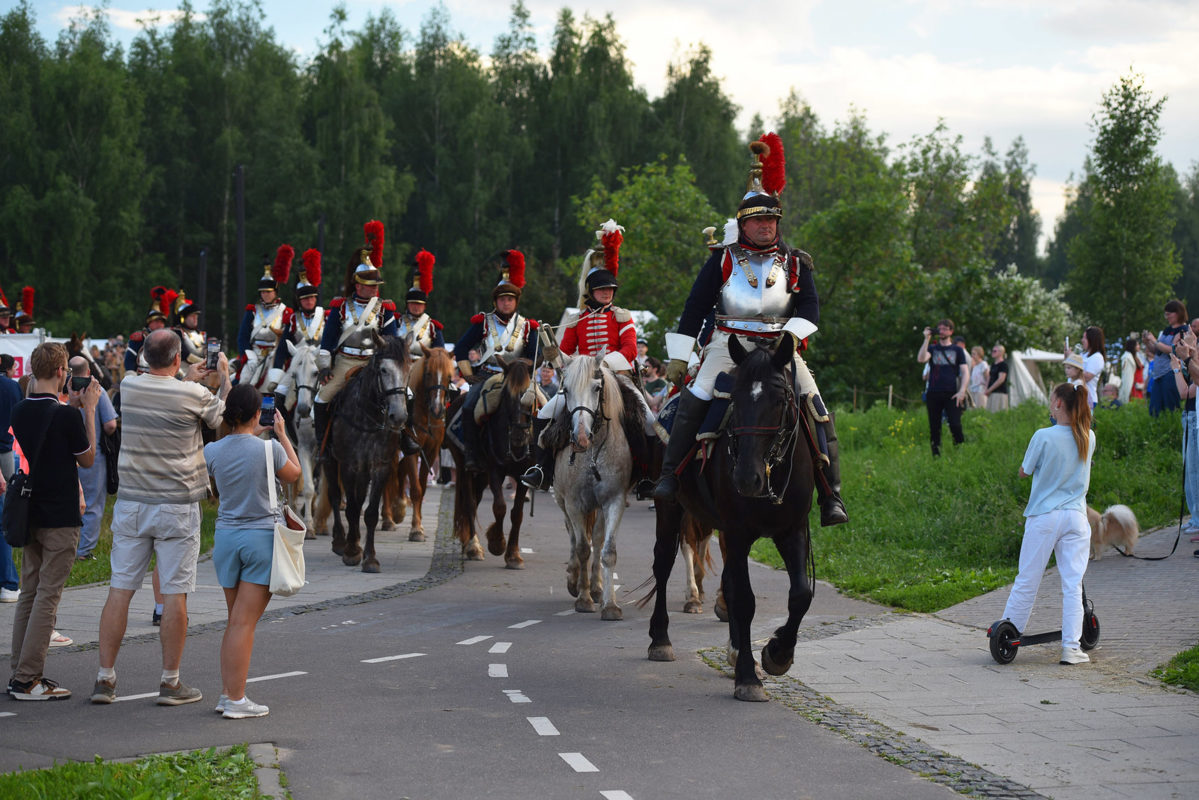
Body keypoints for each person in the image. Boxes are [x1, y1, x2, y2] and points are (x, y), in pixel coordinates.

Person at [652, 134, 847, 526]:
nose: (766, 227)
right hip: (729, 342)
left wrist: (791, 337)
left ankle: (831, 494)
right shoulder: (722, 261)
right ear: (743, 223)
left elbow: (810, 307)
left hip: (780, 346)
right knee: (697, 396)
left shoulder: (796, 262)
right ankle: (670, 477)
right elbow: (694, 308)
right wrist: (679, 356)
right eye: (758, 220)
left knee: (816, 405)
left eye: (771, 220)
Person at [91, 329, 230, 706]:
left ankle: (105, 678)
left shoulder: (131, 387)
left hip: (133, 502)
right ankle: (170, 682)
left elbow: (163, 386)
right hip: (177, 505)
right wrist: (225, 378)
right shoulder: (193, 394)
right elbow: (221, 415)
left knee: (120, 589)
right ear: (176, 360)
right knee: (174, 595)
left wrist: (184, 377)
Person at [7, 343, 99, 700]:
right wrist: (87, 410)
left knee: (29, 593)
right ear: (62, 372)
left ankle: (19, 671)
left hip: (31, 511)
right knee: (48, 596)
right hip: (60, 513)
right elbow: (87, 459)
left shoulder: (20, 409)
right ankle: (28, 678)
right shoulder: (65, 415)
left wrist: (71, 408)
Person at [204, 384, 301, 719]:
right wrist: (282, 434)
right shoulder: (269, 448)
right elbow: (294, 473)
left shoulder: (212, 450)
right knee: (243, 624)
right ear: (259, 413)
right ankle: (236, 699)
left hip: (226, 538)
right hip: (260, 538)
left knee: (235, 622)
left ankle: (228, 692)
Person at [523, 220, 642, 491]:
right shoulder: (577, 319)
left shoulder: (622, 316)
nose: (606, 294)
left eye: (610, 290)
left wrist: (602, 366)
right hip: (581, 381)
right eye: (602, 290)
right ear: (591, 292)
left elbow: (630, 350)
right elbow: (566, 351)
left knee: (646, 420)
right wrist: (555, 355)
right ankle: (541, 469)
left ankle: (646, 473)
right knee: (544, 413)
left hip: (616, 377)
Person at [998, 382, 1095, 665]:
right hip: (1076, 518)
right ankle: (1071, 647)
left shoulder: (1042, 436)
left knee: (1027, 579)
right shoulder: (1088, 436)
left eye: (1051, 399)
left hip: (1045, 516)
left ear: (1058, 405)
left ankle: (1010, 632)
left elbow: (1024, 472)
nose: (1049, 404)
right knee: (1072, 584)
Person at [313, 223, 402, 456]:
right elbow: (328, 340)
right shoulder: (340, 307)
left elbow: (393, 342)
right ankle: (323, 446)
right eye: (368, 285)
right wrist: (324, 368)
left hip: (376, 363)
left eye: (375, 286)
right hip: (346, 362)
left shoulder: (386, 309)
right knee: (322, 398)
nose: (373, 290)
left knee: (406, 395)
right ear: (357, 284)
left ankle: (404, 441)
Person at [453, 250, 540, 472]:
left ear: (516, 301)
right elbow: (461, 347)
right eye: (502, 299)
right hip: (488, 375)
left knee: (547, 408)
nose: (506, 303)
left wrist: (527, 366)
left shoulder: (528, 326)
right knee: (469, 406)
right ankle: (471, 454)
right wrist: (468, 373)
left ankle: (541, 460)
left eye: (510, 299)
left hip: (519, 379)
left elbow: (535, 354)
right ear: (496, 301)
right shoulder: (482, 322)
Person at [68, 357, 118, 561]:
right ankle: (84, 551)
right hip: (92, 454)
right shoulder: (98, 391)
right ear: (89, 370)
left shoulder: (65, 390)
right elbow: (110, 425)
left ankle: (68, 546)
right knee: (92, 504)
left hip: (67, 456)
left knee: (71, 502)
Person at [265, 248, 325, 408]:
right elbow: (283, 347)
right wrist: (276, 371)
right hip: (298, 364)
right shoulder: (293, 319)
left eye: (312, 298)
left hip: (320, 363)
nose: (309, 301)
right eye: (305, 299)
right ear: (299, 301)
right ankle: (273, 430)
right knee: (277, 394)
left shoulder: (325, 316)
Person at [238, 247, 291, 388]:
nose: (265, 295)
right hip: (254, 354)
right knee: (244, 379)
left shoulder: (285, 312)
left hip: (276, 354)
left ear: (275, 292)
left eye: (269, 292)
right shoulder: (252, 311)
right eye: (263, 292)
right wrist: (248, 355)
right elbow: (243, 337)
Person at [917, 319, 969, 456]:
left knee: (955, 425)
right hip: (933, 392)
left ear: (951, 331)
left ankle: (960, 452)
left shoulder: (958, 350)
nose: (942, 331)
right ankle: (936, 456)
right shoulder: (933, 348)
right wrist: (926, 339)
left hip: (952, 393)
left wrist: (962, 391)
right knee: (934, 427)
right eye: (939, 328)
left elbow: (965, 371)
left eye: (945, 328)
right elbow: (921, 359)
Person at [0, 354, 23, 603]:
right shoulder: (11, 386)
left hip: (5, 451)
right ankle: (8, 582)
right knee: (3, 519)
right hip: (5, 452)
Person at [395, 249, 446, 358]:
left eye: (419, 304)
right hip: (398, 364)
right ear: (407, 305)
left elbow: (439, 352)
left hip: (422, 368)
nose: (416, 307)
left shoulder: (433, 327)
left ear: (424, 306)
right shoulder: (397, 322)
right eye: (413, 304)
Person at [1142, 299, 1188, 416]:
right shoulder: (1167, 330)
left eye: (1168, 314)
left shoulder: (1184, 330)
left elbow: (1172, 350)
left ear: (1177, 313)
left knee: (1170, 407)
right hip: (1158, 373)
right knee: (1154, 409)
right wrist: (1147, 342)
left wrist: (1154, 340)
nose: (1166, 317)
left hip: (1171, 372)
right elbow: (1157, 351)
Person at [125, 289, 172, 375]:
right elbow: (129, 362)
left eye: (162, 322)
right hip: (141, 378)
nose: (160, 325)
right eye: (156, 321)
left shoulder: (168, 340)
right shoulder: (139, 338)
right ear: (149, 323)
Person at [1069, 327, 1105, 409]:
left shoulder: (1097, 357)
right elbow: (1070, 370)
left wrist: (1072, 365)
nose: (1082, 340)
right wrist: (1068, 358)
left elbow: (1087, 377)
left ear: (1092, 339)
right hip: (1075, 397)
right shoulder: (1084, 355)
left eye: (1085, 338)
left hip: (1086, 399)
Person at [983, 345, 1010, 412]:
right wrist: (986, 389)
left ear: (1001, 353)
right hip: (991, 392)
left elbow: (1001, 379)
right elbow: (989, 376)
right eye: (992, 351)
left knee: (997, 412)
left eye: (995, 351)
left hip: (999, 392)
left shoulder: (1003, 365)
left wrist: (990, 389)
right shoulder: (993, 365)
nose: (992, 352)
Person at [1118, 337, 1144, 404]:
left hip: (1139, 388)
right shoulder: (1127, 358)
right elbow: (1127, 377)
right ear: (1133, 346)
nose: (1139, 346)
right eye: (1137, 345)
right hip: (1132, 388)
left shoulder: (1136, 357)